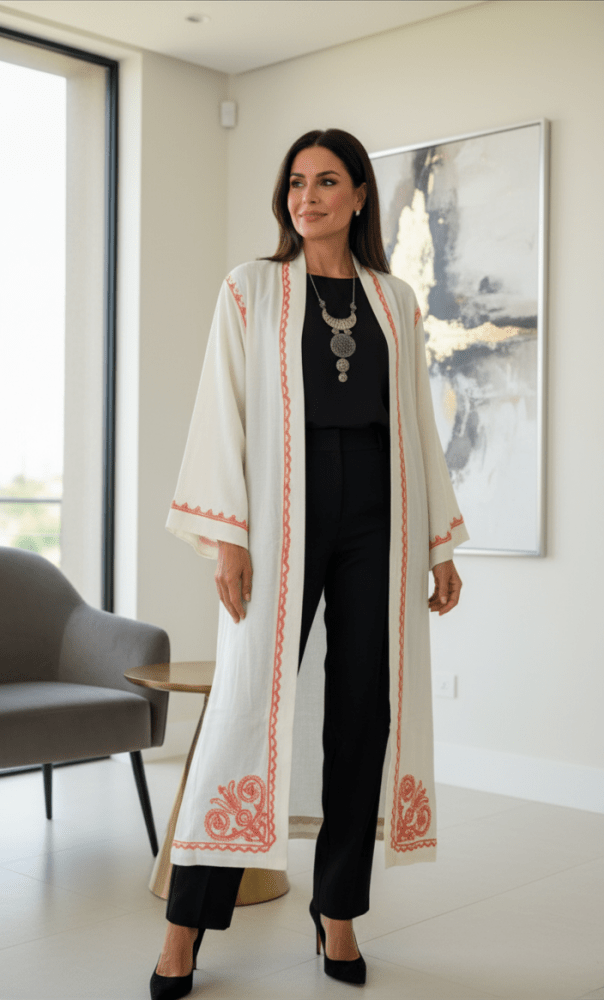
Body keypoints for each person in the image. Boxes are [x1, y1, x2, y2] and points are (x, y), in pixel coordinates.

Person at [151, 128, 469, 999]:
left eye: (328, 182)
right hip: (280, 514)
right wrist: (229, 534)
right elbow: (223, 411)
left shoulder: (395, 300)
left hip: (379, 513)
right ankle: (185, 928)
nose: (308, 197)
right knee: (245, 707)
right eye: (296, 183)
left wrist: (437, 541)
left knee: (362, 711)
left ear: (361, 195)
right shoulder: (251, 289)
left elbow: (415, 426)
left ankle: (338, 913)